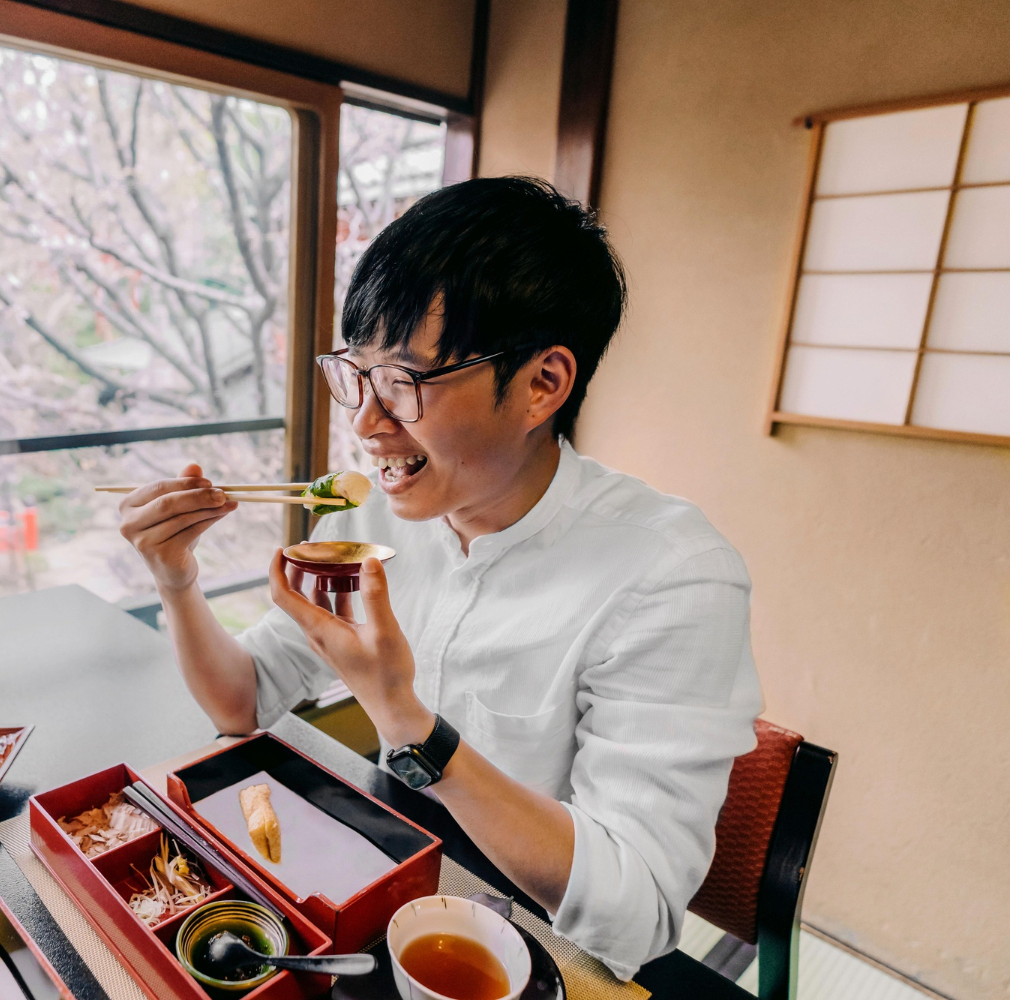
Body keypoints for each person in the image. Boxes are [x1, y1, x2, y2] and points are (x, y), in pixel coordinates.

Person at [115, 176, 761, 979]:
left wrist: (407, 723)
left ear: (542, 384)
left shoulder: (672, 576)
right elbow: (242, 700)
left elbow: (637, 912)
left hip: (533, 946)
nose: (365, 422)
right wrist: (176, 579)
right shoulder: (374, 516)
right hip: (388, 882)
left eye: (405, 383)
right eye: (357, 375)